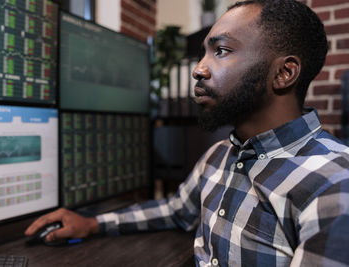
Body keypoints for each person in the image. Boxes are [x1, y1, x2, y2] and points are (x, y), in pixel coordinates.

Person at [25, 0, 349, 266]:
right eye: (204, 53)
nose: (199, 69)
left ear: (284, 73)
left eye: (221, 50)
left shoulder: (334, 187)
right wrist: (93, 223)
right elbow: (176, 210)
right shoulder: (220, 155)